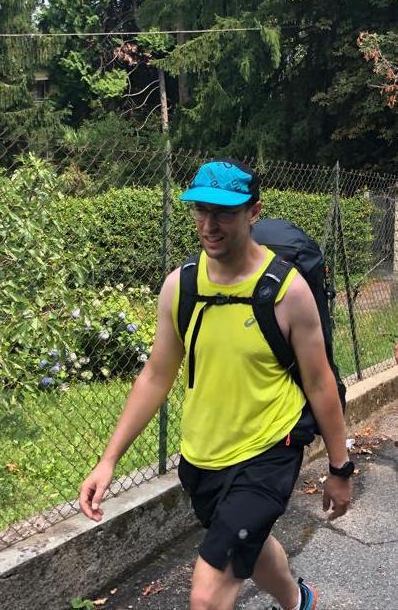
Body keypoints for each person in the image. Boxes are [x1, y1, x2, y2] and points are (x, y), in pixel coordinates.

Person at [79, 158, 354, 610]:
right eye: (201, 210)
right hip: (203, 456)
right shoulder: (181, 287)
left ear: (253, 212)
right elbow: (156, 375)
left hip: (270, 448)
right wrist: (108, 461)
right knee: (248, 544)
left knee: (207, 594)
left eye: (224, 212)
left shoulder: (287, 292)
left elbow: (320, 383)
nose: (209, 225)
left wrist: (340, 468)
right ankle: (298, 601)